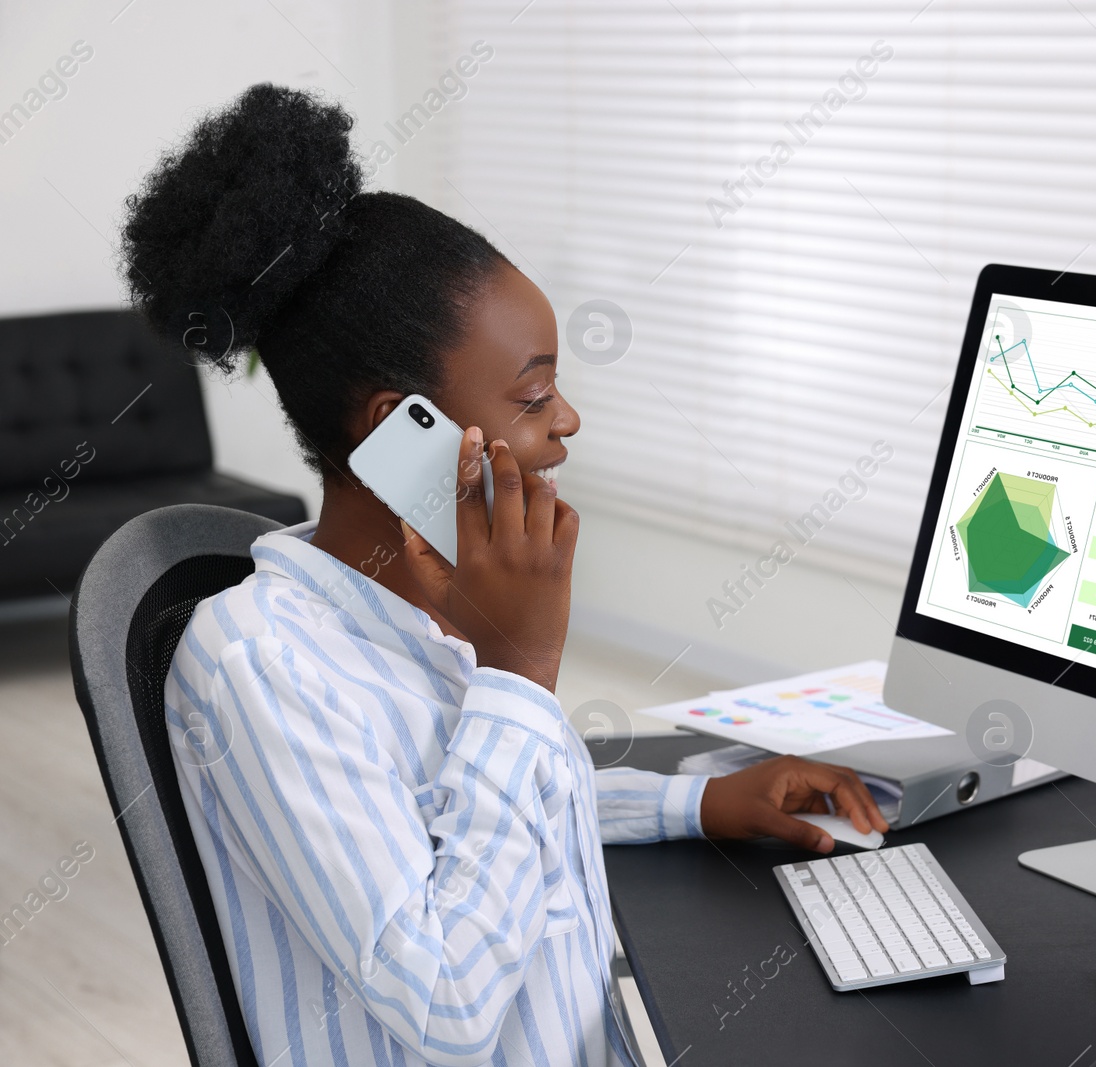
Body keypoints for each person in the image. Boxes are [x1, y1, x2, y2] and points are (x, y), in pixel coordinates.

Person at [123, 84, 888, 1067]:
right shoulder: (260, 666)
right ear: (401, 425)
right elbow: (446, 1001)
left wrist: (693, 803)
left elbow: (447, 814)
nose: (566, 420)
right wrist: (517, 672)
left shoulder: (431, 601)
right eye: (532, 395)